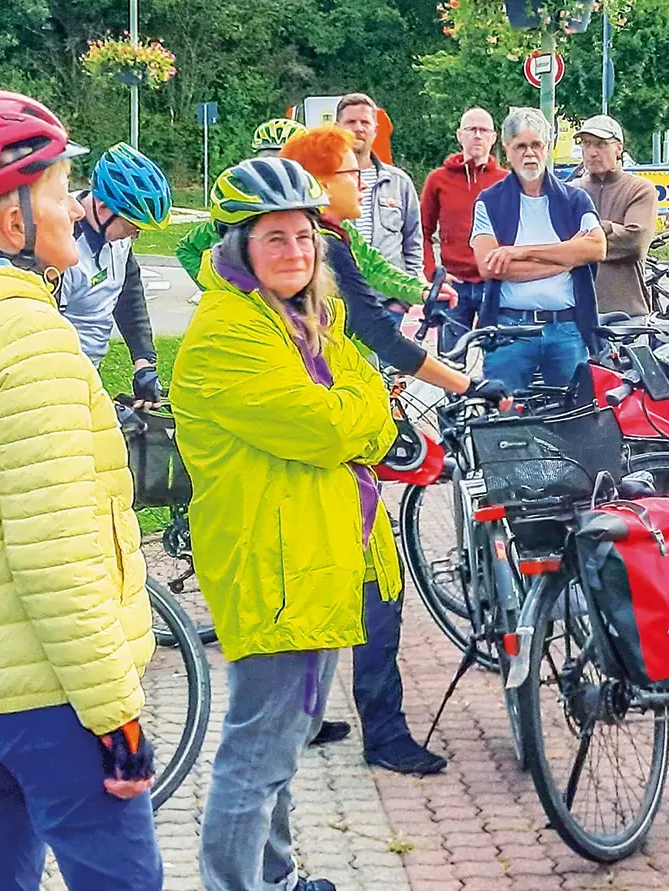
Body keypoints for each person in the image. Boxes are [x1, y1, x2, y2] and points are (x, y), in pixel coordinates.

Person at [0, 88, 159, 891]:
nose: (72, 205)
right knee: (124, 879)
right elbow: (55, 552)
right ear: (12, 222)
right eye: (56, 188)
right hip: (50, 687)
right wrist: (114, 708)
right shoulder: (29, 338)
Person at [172, 157, 398, 891]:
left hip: (309, 558)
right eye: (276, 238)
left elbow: (366, 405)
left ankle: (276, 874)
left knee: (281, 739)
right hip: (275, 568)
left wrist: (360, 417)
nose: (296, 252)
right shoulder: (229, 333)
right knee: (259, 748)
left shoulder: (299, 318)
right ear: (240, 245)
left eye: (305, 237)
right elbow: (332, 427)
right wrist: (361, 419)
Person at [276, 125, 506, 759]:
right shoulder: (320, 248)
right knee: (379, 587)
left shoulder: (323, 243)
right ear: (323, 185)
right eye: (354, 172)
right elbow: (377, 331)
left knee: (328, 583)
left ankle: (308, 717)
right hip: (339, 439)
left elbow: (364, 313)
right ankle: (384, 731)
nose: (366, 181)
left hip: (332, 432)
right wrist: (461, 382)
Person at [471, 107, 607, 393]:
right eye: (521, 145)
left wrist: (518, 252)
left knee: (576, 421)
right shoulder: (489, 202)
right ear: (507, 150)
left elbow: (596, 247)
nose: (529, 153)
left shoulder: (575, 199)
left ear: (548, 148)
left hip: (567, 332)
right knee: (504, 418)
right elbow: (490, 266)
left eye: (536, 145)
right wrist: (568, 258)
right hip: (510, 332)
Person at [63, 142, 172, 409]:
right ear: (102, 208)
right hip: (56, 377)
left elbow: (128, 293)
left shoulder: (116, 235)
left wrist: (143, 363)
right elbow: (38, 332)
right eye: (133, 225)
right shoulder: (61, 248)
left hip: (88, 373)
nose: (136, 234)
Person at [420, 107, 508, 352]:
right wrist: (431, 272)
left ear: (493, 137)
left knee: (498, 358)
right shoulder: (438, 180)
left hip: (494, 285)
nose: (477, 136)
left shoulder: (505, 181)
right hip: (454, 284)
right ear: (460, 135)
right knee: (450, 361)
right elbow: (422, 231)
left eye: (483, 130)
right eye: (471, 129)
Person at [176, 117, 306, 281]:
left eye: (287, 161)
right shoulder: (240, 210)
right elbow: (188, 248)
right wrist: (214, 285)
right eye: (267, 159)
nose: (277, 170)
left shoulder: (324, 214)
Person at [337, 93, 423, 323]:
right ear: (337, 127)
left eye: (365, 122)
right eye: (350, 122)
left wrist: (403, 301)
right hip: (339, 303)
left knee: (388, 360)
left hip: (387, 305)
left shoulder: (399, 182)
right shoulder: (324, 181)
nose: (358, 128)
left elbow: (413, 241)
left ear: (375, 129)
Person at [573, 114, 658, 317]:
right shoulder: (571, 192)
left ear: (618, 148)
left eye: (601, 144)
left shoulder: (640, 189)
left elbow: (634, 242)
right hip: (576, 312)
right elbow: (557, 242)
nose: (592, 152)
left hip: (627, 313)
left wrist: (592, 234)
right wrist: (612, 231)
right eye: (586, 144)